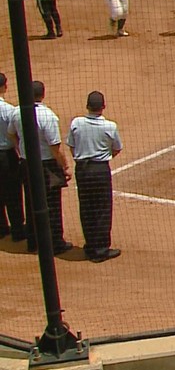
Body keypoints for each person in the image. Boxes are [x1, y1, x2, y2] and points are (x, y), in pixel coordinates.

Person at [7, 80, 71, 255]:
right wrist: (64, 167)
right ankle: (55, 243)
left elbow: (11, 134)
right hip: (47, 166)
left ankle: (33, 241)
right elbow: (55, 147)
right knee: (52, 203)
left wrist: (20, 149)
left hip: (26, 164)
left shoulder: (17, 112)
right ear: (42, 95)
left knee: (30, 200)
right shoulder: (48, 116)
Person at [67, 91, 122, 263]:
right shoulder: (109, 126)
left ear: (87, 106)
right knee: (102, 208)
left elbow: (71, 145)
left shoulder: (76, 122)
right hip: (99, 170)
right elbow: (117, 148)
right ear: (103, 107)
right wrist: (104, 157)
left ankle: (90, 246)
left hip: (82, 169)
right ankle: (100, 250)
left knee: (86, 207)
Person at [0, 74, 26, 243]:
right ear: (4, 87)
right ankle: (17, 230)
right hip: (7, 156)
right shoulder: (9, 110)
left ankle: (1, 228)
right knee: (13, 192)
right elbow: (16, 134)